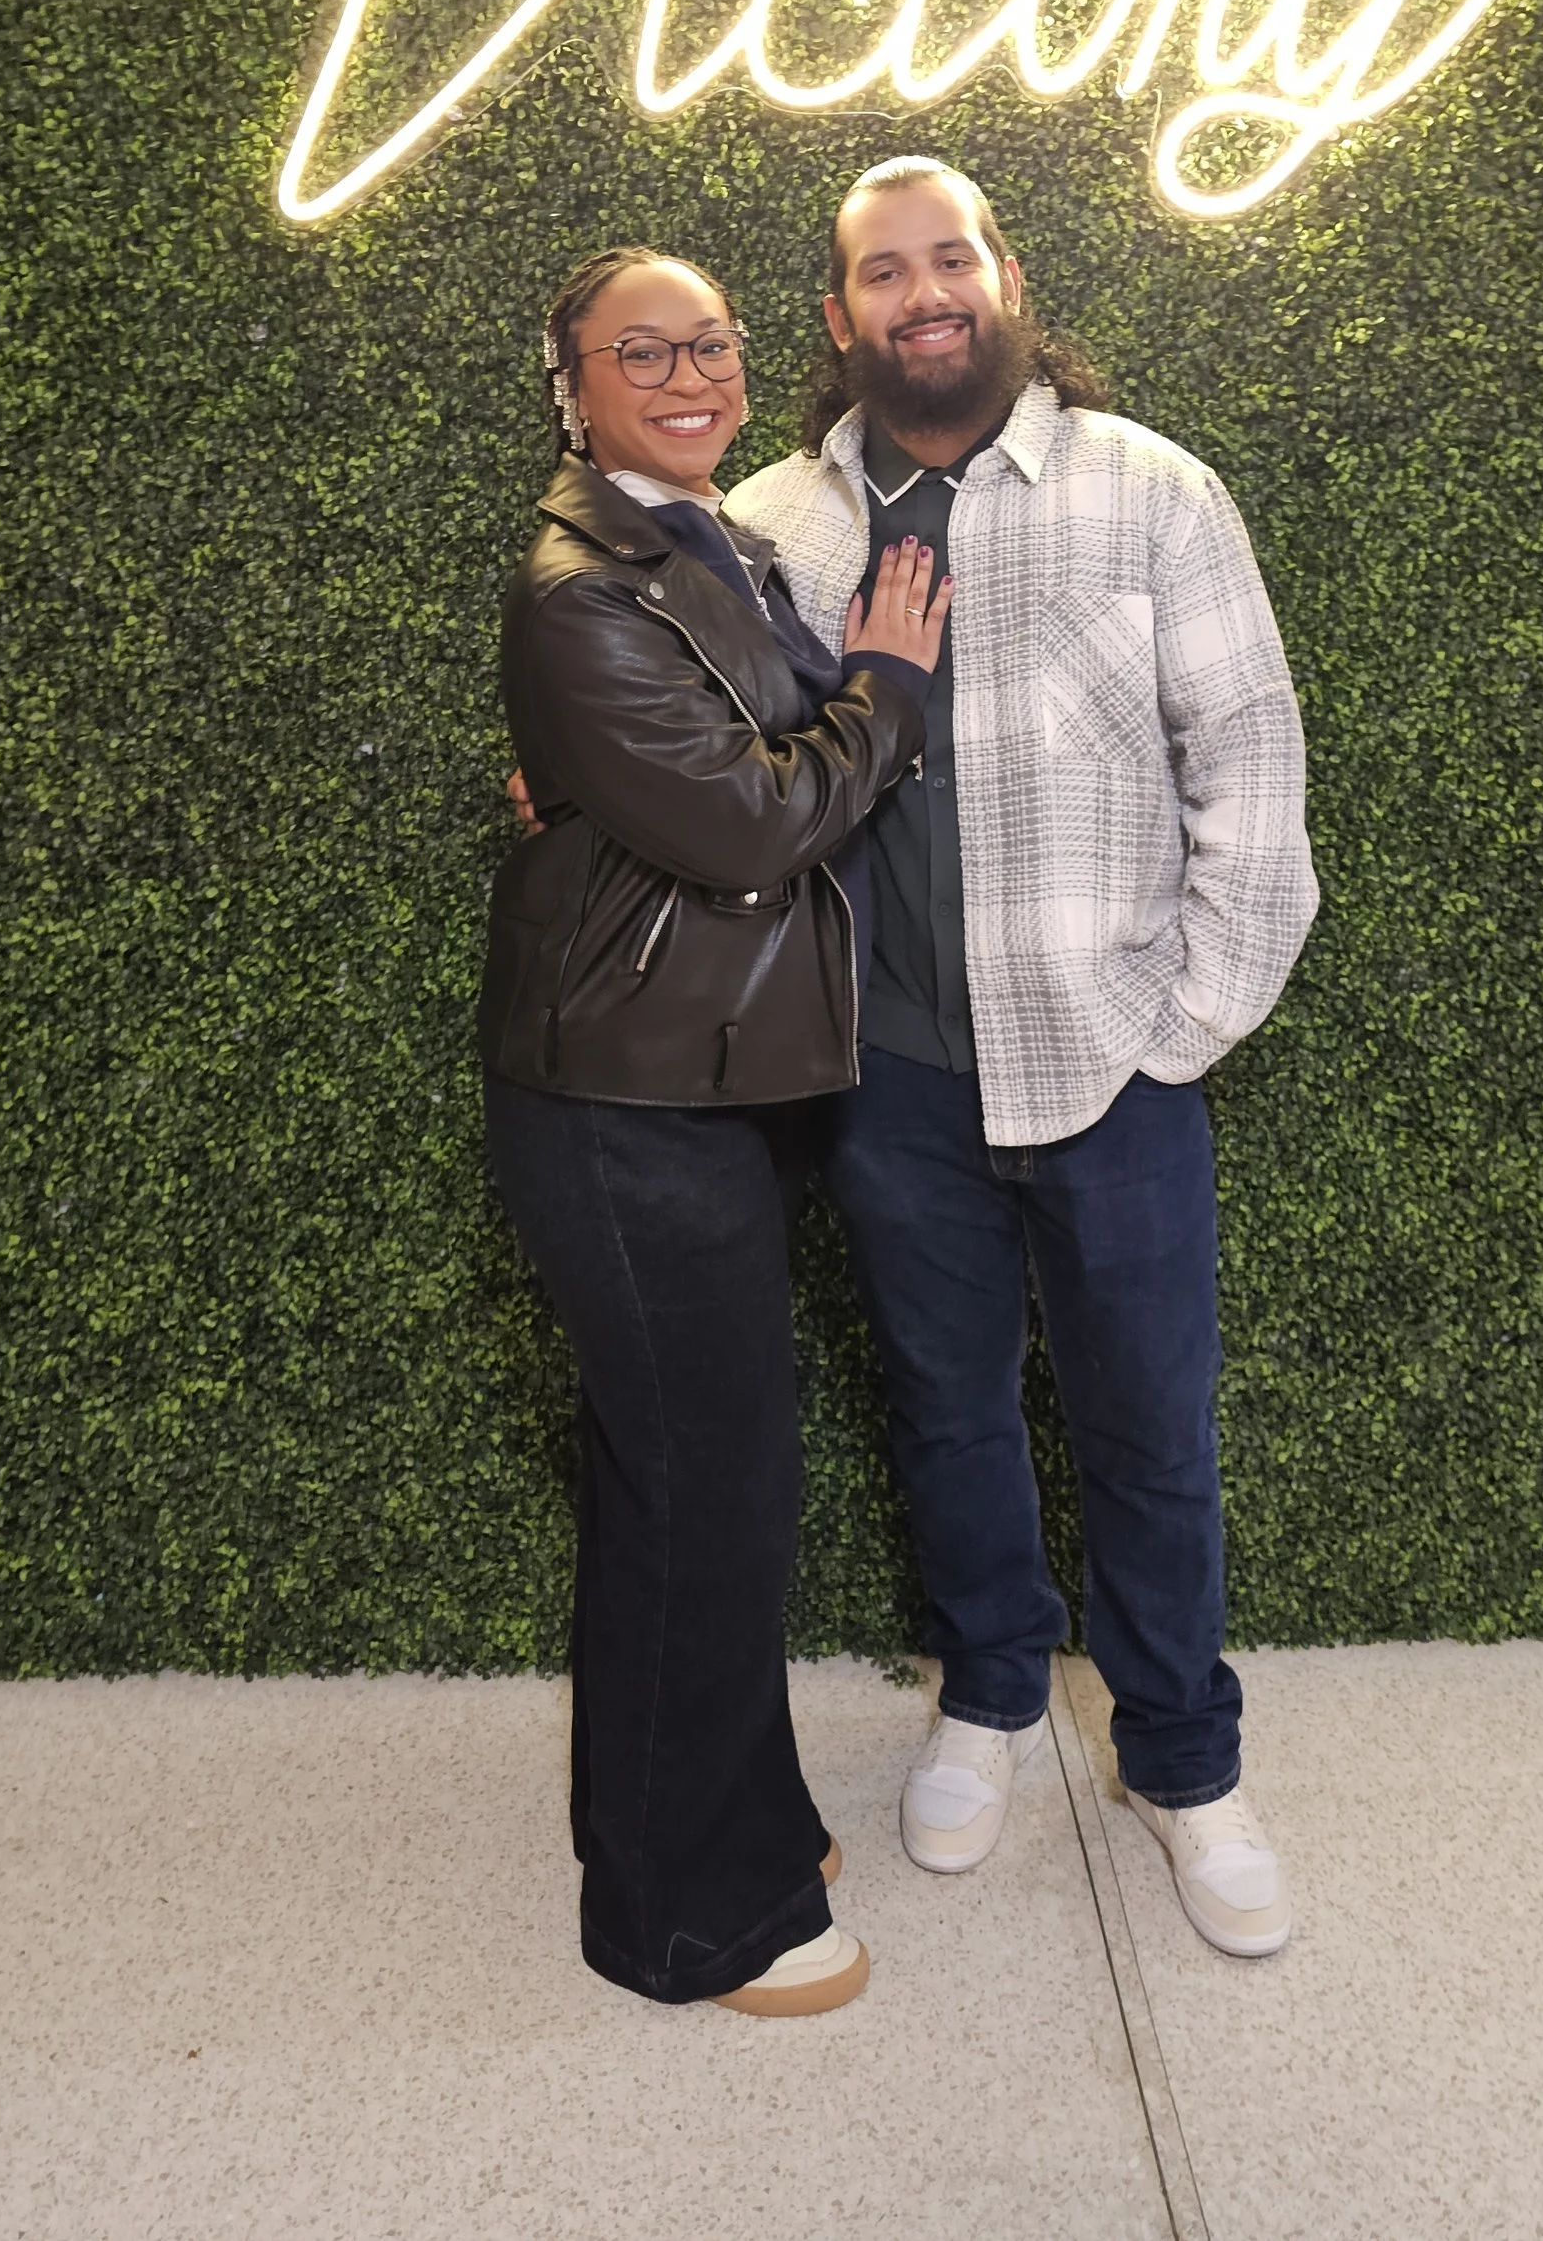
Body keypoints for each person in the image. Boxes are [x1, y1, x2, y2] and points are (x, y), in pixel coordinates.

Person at [724, 158, 1317, 1959]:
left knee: (1150, 1432)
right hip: (886, 1080)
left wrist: (1181, 1028)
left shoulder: (1152, 494)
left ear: (1002, 279)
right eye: (882, 272)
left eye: (950, 258)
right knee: (948, 1407)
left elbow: (1253, 771)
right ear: (839, 319)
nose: (924, 293)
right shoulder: (772, 529)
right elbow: (723, 777)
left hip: (1110, 1066)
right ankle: (988, 1689)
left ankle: (1183, 1761)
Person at [479, 243, 949, 2014]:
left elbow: (699, 777)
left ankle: (715, 1815)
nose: (690, 374)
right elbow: (755, 828)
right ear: (574, 382)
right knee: (703, 1498)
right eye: (641, 350)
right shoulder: (577, 586)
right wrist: (887, 692)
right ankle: (689, 1917)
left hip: (705, 1083)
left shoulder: (713, 543)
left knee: (691, 1487)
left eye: (715, 344)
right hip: (621, 1108)